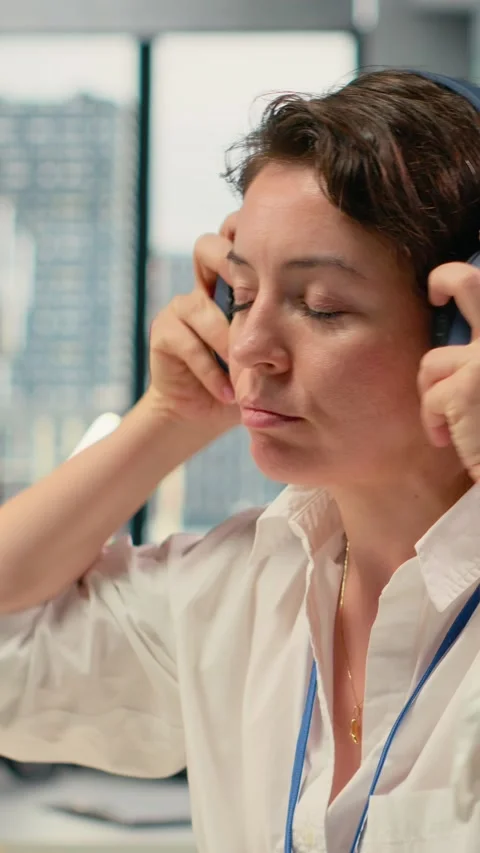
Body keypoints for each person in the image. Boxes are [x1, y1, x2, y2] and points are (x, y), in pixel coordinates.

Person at [1, 68, 480, 853]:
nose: (251, 347)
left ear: (457, 331)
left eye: (320, 306)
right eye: (242, 295)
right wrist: (168, 419)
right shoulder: (246, 587)